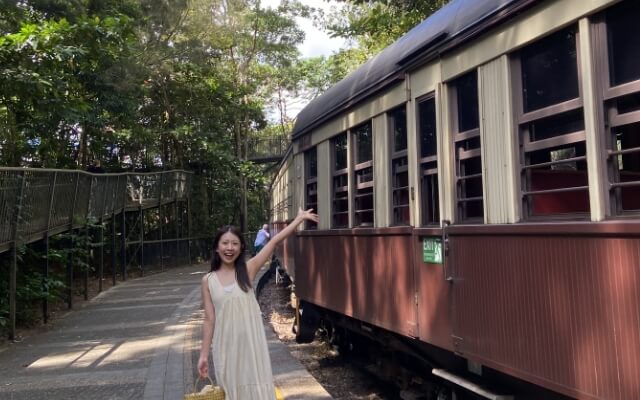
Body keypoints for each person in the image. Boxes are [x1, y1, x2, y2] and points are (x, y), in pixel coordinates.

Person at [197, 208, 319, 400]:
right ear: (217, 247)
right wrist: (204, 355)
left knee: (256, 388)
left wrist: (299, 219)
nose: (230, 248)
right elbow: (209, 320)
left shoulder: (248, 269)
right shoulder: (208, 281)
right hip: (225, 346)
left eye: (235, 243)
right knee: (231, 390)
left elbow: (274, 241)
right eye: (225, 243)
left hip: (252, 343)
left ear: (241, 248)